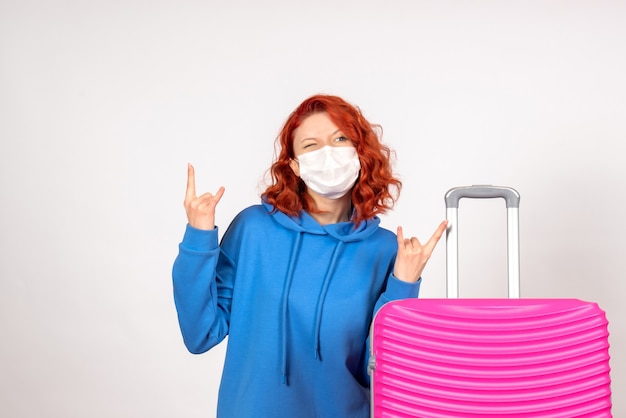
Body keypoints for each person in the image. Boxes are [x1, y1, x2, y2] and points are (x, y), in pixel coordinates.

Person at [172, 94, 447, 418]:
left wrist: (404, 283)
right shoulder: (253, 229)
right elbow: (200, 334)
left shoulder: (385, 249)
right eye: (311, 145)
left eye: (339, 139)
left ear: (360, 151)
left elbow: (382, 368)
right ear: (293, 164)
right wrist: (199, 237)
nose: (328, 154)